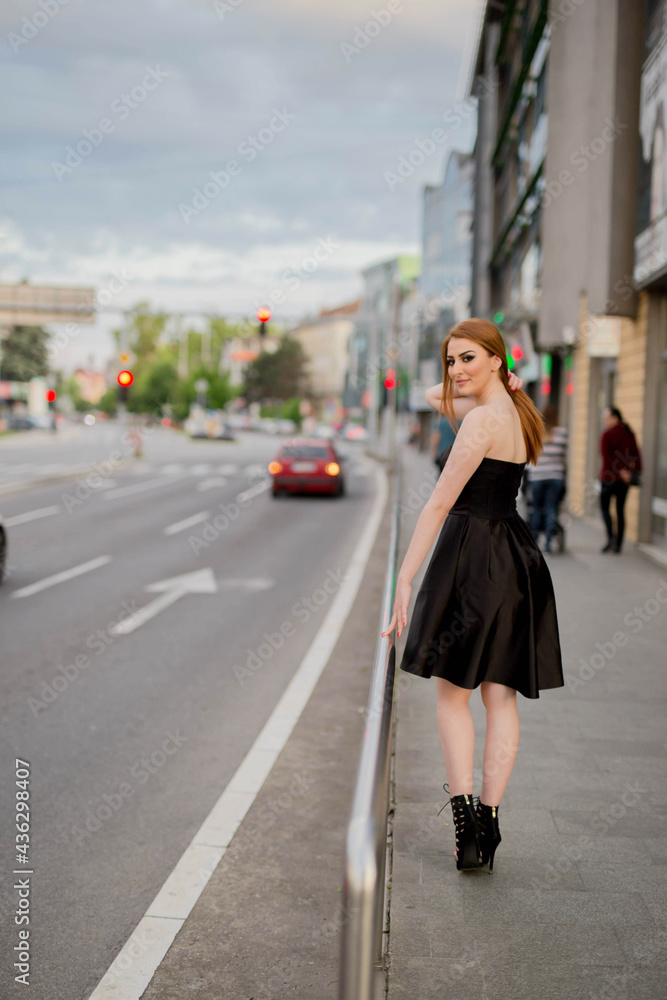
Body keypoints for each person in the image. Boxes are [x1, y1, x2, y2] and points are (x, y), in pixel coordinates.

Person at [381, 319, 564, 873]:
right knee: (499, 699)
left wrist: (405, 579)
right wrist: (492, 377)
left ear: (494, 359)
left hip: (471, 559)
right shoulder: (513, 413)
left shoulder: (480, 420)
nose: (455, 372)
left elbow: (438, 506)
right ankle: (489, 820)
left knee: (452, 697)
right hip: (516, 557)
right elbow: (440, 392)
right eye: (450, 361)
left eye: (467, 359)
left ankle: (464, 824)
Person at [599, 406, 642, 554]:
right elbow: (636, 454)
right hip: (624, 480)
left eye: (607, 418)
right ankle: (618, 544)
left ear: (615, 418)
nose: (605, 421)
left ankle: (611, 538)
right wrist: (629, 472)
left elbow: (607, 456)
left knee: (605, 508)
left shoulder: (607, 434)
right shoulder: (629, 433)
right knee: (620, 510)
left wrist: (619, 471)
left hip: (608, 478)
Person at [526, 404, 567, 553]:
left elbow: (529, 455)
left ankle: (535, 541)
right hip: (556, 476)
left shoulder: (536, 432)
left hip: (537, 476)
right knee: (551, 508)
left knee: (536, 509)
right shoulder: (562, 433)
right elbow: (563, 456)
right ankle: (549, 542)